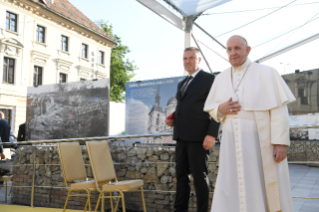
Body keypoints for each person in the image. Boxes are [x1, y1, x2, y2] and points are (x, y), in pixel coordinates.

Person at [204, 35, 295, 212]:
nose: (233, 53)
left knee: (259, 183)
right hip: (231, 143)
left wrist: (281, 143)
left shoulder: (267, 73)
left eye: (237, 48)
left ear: (248, 50)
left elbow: (279, 111)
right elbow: (213, 110)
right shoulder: (220, 78)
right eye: (229, 49)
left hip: (259, 143)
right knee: (231, 185)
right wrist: (221, 108)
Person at [165, 47, 220, 212]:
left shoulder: (210, 79)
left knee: (199, 178)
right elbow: (186, 106)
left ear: (199, 60)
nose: (187, 61)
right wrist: (172, 118)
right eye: (185, 58)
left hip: (199, 137)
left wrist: (212, 134)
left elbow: (216, 108)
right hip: (181, 136)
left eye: (191, 58)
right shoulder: (182, 83)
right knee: (181, 177)